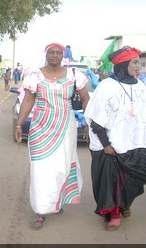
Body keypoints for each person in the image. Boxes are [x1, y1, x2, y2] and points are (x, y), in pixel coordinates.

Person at [14, 43, 90, 230]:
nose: (54, 55)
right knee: (41, 168)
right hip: (40, 127)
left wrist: (88, 122)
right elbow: (28, 101)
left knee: (61, 167)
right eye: (51, 53)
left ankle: (57, 200)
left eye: (58, 53)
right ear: (46, 55)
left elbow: (86, 98)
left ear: (62, 56)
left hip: (66, 127)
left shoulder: (74, 75)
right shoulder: (35, 76)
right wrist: (18, 124)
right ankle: (41, 211)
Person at [84, 46, 146, 231]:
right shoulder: (107, 86)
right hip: (111, 146)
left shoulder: (141, 86)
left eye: (138, 63)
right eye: (134, 62)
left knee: (132, 179)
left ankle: (125, 204)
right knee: (112, 181)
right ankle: (114, 213)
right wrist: (106, 144)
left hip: (136, 143)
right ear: (124, 64)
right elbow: (96, 119)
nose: (138, 66)